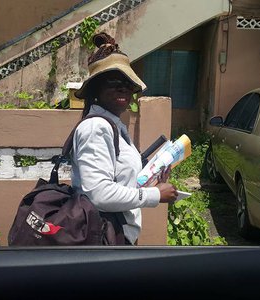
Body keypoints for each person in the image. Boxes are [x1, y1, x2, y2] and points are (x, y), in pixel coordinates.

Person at [71, 32, 178, 245]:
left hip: (119, 232)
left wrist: (150, 182)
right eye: (113, 81)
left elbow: (120, 180)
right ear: (96, 88)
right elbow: (99, 194)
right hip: (104, 237)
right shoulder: (96, 127)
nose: (123, 88)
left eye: (128, 83)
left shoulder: (113, 125)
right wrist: (154, 195)